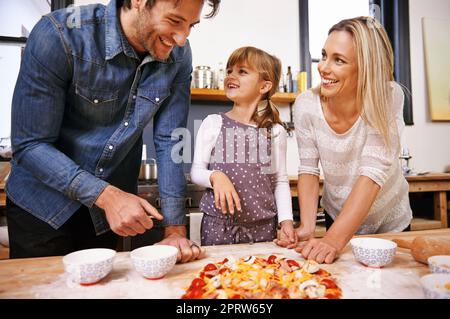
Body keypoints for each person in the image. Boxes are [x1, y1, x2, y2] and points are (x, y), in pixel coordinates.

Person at [6, 0, 220, 261]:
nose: (182, 39)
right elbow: (30, 145)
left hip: (104, 218)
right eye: (175, 21)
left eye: (191, 26)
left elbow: (170, 141)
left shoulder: (179, 58)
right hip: (41, 208)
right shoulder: (59, 34)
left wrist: (174, 230)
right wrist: (106, 196)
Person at [275, 17, 412, 263]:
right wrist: (307, 226)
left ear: (366, 67)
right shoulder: (306, 104)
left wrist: (332, 240)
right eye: (324, 55)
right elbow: (308, 169)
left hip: (389, 222)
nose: (323, 67)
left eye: (338, 60)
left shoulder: (388, 97)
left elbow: (372, 174)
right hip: (336, 216)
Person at [190, 46, 295, 246]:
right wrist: (215, 176)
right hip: (218, 227)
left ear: (264, 86)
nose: (231, 75)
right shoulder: (213, 123)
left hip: (264, 228)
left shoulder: (275, 132)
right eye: (229, 70)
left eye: (242, 71)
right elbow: (196, 172)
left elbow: (280, 181)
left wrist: (286, 222)